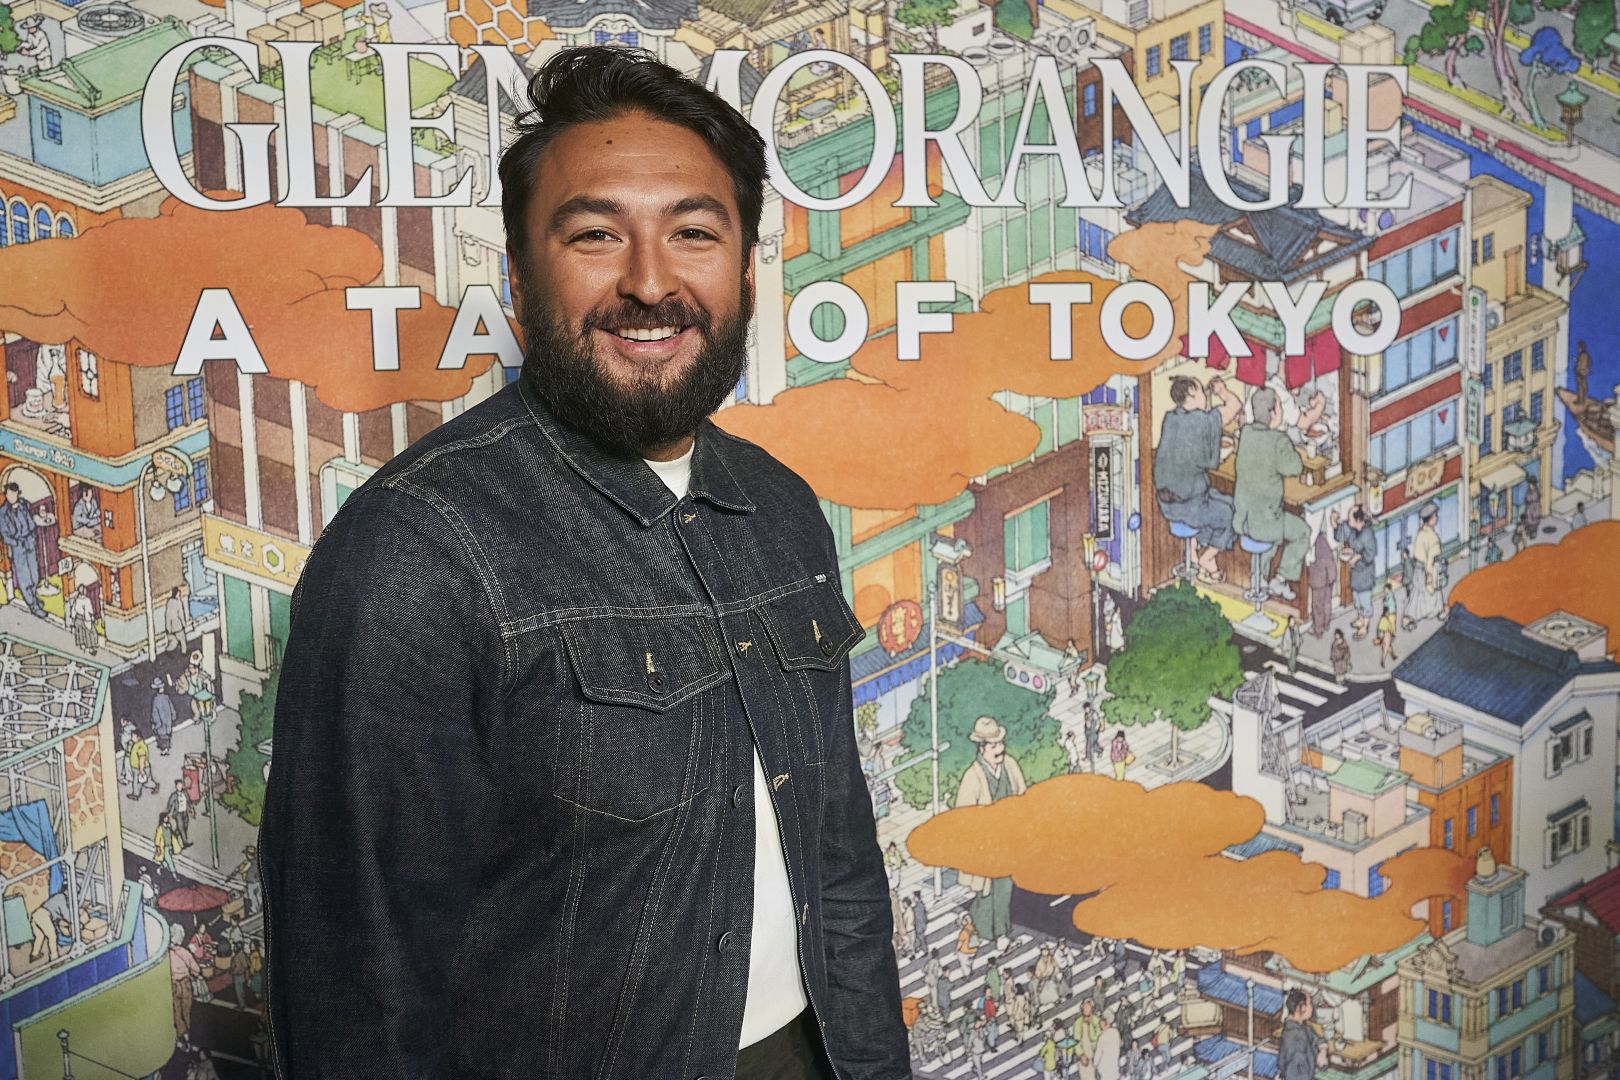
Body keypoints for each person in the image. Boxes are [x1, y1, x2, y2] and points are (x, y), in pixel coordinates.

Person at [260, 46, 907, 1079]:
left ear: (747, 272)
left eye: (694, 232)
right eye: (596, 234)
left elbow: (839, 867)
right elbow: (359, 991)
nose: (649, 281)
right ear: (520, 279)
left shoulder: (780, 509)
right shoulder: (414, 554)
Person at [1154, 375, 1241, 582]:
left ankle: (1192, 551)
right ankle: (1207, 559)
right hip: (1189, 505)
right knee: (1232, 513)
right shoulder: (1201, 421)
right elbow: (1234, 406)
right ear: (1191, 394)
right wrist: (1222, 390)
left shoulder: (1171, 418)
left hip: (1167, 504)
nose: (1204, 395)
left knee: (1223, 500)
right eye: (1201, 391)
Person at [954, 715, 1027, 950]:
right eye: (994, 746)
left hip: (1009, 842)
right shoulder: (973, 776)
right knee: (988, 890)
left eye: (1000, 744)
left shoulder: (1010, 766)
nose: (1000, 749)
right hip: (986, 847)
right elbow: (963, 816)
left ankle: (996, 931)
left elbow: (1023, 796)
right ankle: (990, 930)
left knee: (1004, 888)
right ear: (982, 748)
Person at [1233, 387, 1310, 601]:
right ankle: (1281, 578)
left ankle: (1258, 576)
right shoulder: (1278, 440)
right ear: (1274, 413)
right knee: (1301, 532)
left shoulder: (1246, 433)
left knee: (1272, 525)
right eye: (1280, 407)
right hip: (1265, 523)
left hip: (1243, 520)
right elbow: (1294, 467)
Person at [0, 483, 47, 617]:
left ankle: (34, 598)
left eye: (14, 494)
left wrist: (32, 537)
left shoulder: (24, 504)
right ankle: (33, 605)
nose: (12, 497)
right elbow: (5, 535)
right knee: (24, 577)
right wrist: (16, 543)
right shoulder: (3, 513)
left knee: (34, 575)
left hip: (29, 542)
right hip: (18, 548)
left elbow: (31, 522)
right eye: (9, 494)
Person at [1332, 506, 1377, 640]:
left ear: (1358, 520)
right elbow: (1340, 535)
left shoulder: (1367, 533)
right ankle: (1360, 618)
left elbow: (1370, 553)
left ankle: (1365, 626)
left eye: (1350, 519)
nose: (1348, 520)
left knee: (1365, 601)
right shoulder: (1352, 530)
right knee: (1357, 599)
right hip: (1355, 573)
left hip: (1365, 573)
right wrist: (1334, 522)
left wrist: (1357, 557)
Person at [1405, 502, 1447, 624]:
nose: (1436, 518)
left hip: (1418, 568)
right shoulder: (1432, 537)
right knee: (1433, 593)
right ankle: (1439, 612)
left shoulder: (1420, 533)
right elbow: (1431, 559)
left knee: (1417, 594)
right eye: (1435, 516)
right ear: (1431, 518)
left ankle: (1409, 617)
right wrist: (1429, 574)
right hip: (1427, 569)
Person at [1278, 988, 1326, 1080]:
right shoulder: (1294, 1037)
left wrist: (1322, 1052)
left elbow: (1319, 1039)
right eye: (1310, 1004)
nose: (1312, 1007)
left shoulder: (1303, 1027)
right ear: (1302, 1007)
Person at [170, 922, 202, 1049]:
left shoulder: (167, 954)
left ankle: (181, 1035)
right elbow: (196, 969)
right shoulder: (185, 952)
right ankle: (188, 1035)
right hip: (186, 984)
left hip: (174, 984)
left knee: (176, 1011)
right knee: (186, 1011)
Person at [27, 888, 74, 963]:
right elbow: (66, 915)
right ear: (67, 890)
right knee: (52, 936)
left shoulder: (58, 896)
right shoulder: (61, 897)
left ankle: (34, 954)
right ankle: (54, 959)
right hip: (44, 915)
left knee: (39, 936)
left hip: (36, 914)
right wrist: (75, 921)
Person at [1306, 530, 1336, 638]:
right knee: (1326, 602)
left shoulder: (1318, 541)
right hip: (1328, 577)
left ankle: (1318, 629)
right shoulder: (1324, 540)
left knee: (1318, 605)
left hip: (1319, 578)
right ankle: (1326, 623)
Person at [160, 584, 192, 655]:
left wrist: (168, 628)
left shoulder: (169, 603)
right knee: (182, 640)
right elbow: (181, 614)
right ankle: (184, 652)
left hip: (172, 627)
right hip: (178, 625)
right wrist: (184, 623)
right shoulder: (178, 602)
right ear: (176, 594)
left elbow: (167, 616)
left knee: (173, 641)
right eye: (178, 594)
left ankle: (169, 650)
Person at [67, 585, 98, 655]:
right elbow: (88, 611)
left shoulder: (77, 599)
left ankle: (82, 645)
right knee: (87, 633)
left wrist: (73, 617)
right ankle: (89, 648)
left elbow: (73, 609)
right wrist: (90, 619)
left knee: (80, 632)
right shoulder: (86, 600)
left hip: (77, 618)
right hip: (84, 618)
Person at [150, 677, 176, 756]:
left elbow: (155, 713)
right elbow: (155, 713)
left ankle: (165, 748)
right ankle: (165, 748)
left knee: (164, 735)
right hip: (164, 721)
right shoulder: (158, 699)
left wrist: (173, 714)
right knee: (164, 735)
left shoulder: (161, 698)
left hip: (165, 720)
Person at [1374, 587, 1399, 667]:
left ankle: (1393, 655)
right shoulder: (1386, 620)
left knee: (1388, 646)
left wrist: (1379, 636)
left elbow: (1378, 629)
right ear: (1386, 613)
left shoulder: (1382, 619)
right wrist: (1392, 634)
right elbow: (1389, 629)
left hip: (1382, 636)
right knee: (1386, 647)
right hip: (1386, 635)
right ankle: (1383, 660)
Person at [167, 779, 194, 849]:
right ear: (176, 786)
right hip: (178, 813)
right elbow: (170, 804)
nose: (180, 787)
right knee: (181, 827)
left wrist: (191, 809)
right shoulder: (174, 795)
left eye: (181, 785)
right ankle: (185, 843)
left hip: (185, 812)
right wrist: (167, 813)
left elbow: (189, 802)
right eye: (178, 785)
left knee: (184, 827)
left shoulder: (185, 793)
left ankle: (173, 836)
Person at [1575, 340, 1591, 404]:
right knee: (1583, 386)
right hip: (1584, 372)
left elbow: (1579, 364)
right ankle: (1583, 400)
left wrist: (1578, 369)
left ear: (1581, 347)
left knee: (1580, 387)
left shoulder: (1581, 355)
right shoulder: (1587, 355)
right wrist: (1587, 369)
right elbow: (1589, 363)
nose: (1578, 349)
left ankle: (1580, 401)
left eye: (1579, 347)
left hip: (1580, 372)